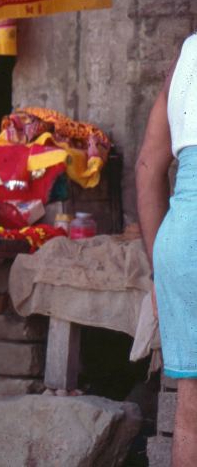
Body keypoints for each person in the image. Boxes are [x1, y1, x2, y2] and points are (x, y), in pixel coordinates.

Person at [138, 36, 197, 465]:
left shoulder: (186, 55)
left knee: (191, 413)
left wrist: (159, 273)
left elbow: (147, 167)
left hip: (180, 242)